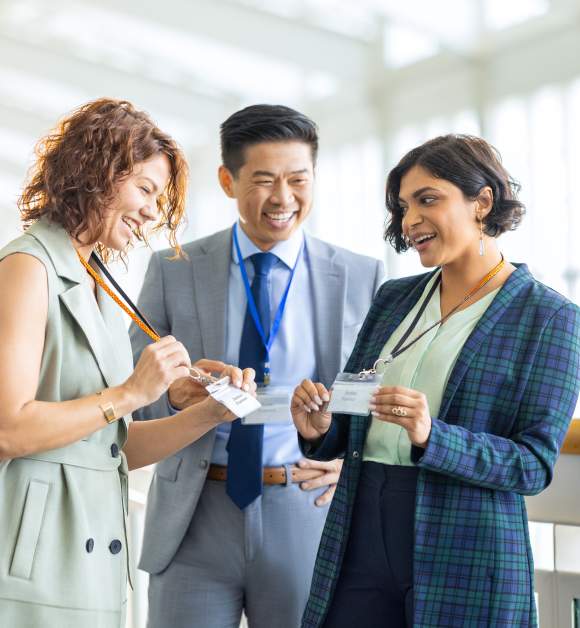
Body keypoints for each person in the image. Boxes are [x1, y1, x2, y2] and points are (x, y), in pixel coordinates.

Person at [292, 134, 580, 628]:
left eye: (428, 200)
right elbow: (354, 418)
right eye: (404, 207)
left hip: (466, 548)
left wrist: (432, 436)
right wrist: (320, 426)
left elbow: (532, 465)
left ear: (482, 202)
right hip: (359, 530)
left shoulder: (550, 317)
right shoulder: (394, 299)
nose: (409, 222)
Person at [0, 98, 256, 628]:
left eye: (157, 198)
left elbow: (113, 446)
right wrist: (131, 393)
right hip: (34, 564)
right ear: (95, 174)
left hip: (94, 558)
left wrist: (210, 413)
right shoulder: (27, 267)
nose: (151, 212)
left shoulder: (98, 283)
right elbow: (9, 428)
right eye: (145, 189)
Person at [130, 104, 384, 628]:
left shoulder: (360, 276)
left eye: (298, 179)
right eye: (265, 180)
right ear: (228, 180)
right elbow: (132, 390)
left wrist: (353, 462)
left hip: (307, 506)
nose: (283, 198)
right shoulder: (173, 268)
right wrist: (177, 395)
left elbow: (382, 397)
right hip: (196, 509)